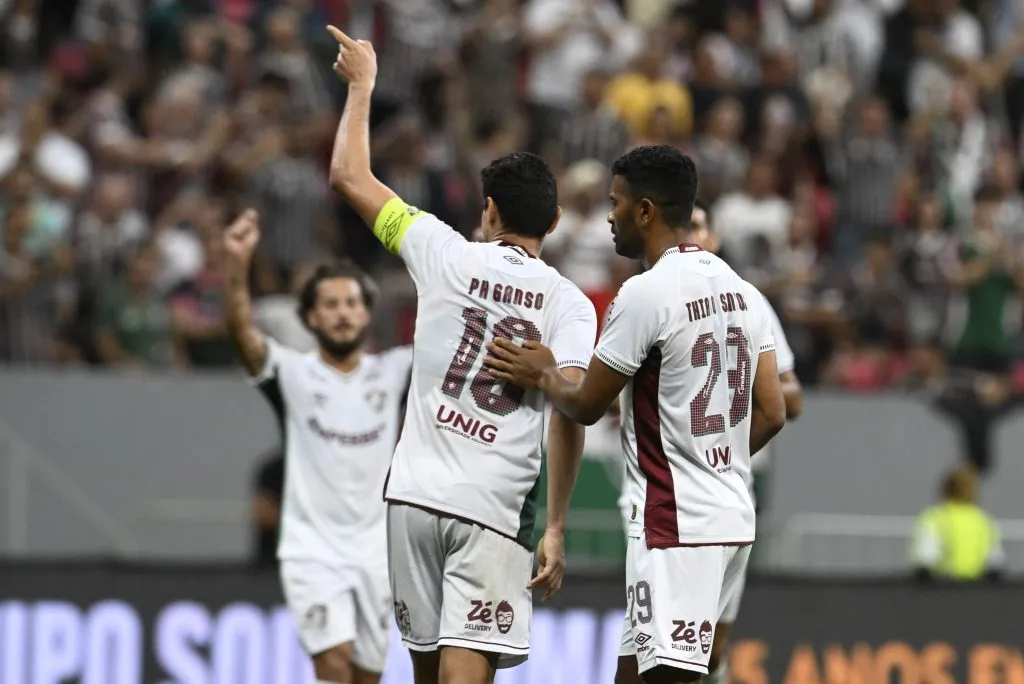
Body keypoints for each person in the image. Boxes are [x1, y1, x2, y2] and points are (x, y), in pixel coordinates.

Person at [325, 27, 598, 684]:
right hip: (492, 509)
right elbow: (573, 405)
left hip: (412, 500)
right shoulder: (571, 305)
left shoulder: (439, 250)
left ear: (490, 212)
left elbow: (348, 175)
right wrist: (554, 525)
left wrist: (363, 83)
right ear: (555, 224)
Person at [483, 145, 787, 684]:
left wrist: (543, 373)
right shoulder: (743, 292)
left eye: (616, 202)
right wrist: (714, 462)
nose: (608, 215)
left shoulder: (645, 294)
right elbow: (773, 411)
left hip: (674, 525)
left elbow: (584, 404)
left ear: (645, 211)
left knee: (669, 679)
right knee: (635, 675)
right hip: (732, 514)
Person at [223, 210, 413, 684]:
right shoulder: (291, 373)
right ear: (309, 317)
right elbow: (244, 336)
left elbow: (452, 337)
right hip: (312, 549)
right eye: (330, 304)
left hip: (377, 552)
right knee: (332, 665)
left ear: (368, 315)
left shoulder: (395, 371)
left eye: (352, 303)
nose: (343, 312)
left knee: (367, 674)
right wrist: (236, 265)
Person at [680, 201, 804, 684]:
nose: (687, 235)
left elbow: (789, 400)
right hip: (654, 494)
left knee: (709, 650)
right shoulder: (644, 298)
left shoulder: (744, 299)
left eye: (696, 226)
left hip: (722, 485)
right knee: (658, 644)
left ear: (712, 239)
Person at [910, 464, 1004, 582]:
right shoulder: (983, 520)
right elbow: (995, 562)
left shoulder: (935, 518)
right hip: (977, 591)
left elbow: (925, 560)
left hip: (942, 590)